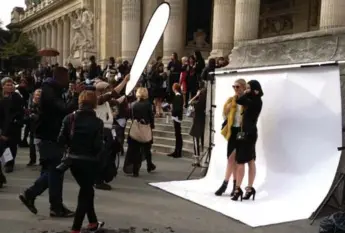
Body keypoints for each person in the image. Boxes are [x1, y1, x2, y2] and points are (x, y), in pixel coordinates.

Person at [19, 67, 84, 217]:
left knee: (54, 171)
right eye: (67, 77)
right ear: (60, 77)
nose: (69, 80)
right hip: (49, 136)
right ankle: (37, 197)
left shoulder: (53, 90)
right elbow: (64, 109)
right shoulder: (49, 90)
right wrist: (75, 96)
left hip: (51, 135)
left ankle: (52, 204)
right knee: (55, 170)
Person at [58, 90, 105, 233]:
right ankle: (76, 228)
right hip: (90, 162)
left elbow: (61, 140)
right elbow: (98, 146)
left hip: (73, 161)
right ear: (94, 104)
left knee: (87, 191)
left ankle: (92, 222)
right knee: (85, 193)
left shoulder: (69, 118)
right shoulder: (98, 122)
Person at [231, 80, 263, 201]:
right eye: (247, 88)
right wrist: (245, 92)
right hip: (243, 132)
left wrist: (243, 92)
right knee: (247, 160)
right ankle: (248, 188)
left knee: (243, 161)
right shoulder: (251, 99)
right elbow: (239, 100)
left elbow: (241, 100)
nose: (247, 90)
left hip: (249, 134)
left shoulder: (256, 101)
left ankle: (239, 188)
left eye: (249, 88)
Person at [214, 79, 246, 197]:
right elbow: (224, 116)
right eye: (234, 87)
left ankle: (230, 185)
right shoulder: (231, 100)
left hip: (242, 131)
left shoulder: (246, 100)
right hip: (233, 131)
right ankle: (229, 184)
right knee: (230, 159)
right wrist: (227, 109)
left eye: (238, 87)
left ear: (243, 87)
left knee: (237, 160)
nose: (236, 89)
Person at [123, 87, 156, 177]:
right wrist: (152, 125)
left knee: (135, 150)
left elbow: (130, 116)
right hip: (145, 127)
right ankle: (149, 165)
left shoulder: (133, 104)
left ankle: (135, 170)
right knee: (147, 148)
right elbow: (151, 117)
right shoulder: (148, 105)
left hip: (135, 128)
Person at [0, 77, 25, 173]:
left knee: (12, 145)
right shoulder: (2, 98)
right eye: (7, 85)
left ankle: (9, 163)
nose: (10, 87)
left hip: (14, 125)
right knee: (5, 145)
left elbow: (20, 111)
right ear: (3, 86)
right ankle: (7, 161)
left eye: (11, 85)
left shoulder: (16, 97)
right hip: (3, 125)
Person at [188, 81, 207, 166]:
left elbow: (189, 102)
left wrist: (196, 95)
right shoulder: (205, 103)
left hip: (197, 122)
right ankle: (202, 158)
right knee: (202, 141)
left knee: (196, 141)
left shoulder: (198, 103)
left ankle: (197, 159)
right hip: (203, 122)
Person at [167, 83, 184, 158]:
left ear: (174, 88)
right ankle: (176, 150)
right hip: (177, 117)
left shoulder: (178, 96)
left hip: (177, 117)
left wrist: (172, 112)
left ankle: (178, 151)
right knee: (177, 134)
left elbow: (178, 108)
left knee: (178, 134)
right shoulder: (178, 96)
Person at [27, 88, 42, 166]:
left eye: (39, 95)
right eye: (36, 95)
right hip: (32, 127)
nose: (38, 96)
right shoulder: (31, 103)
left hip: (40, 127)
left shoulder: (43, 104)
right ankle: (32, 159)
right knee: (31, 145)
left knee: (39, 145)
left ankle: (41, 160)